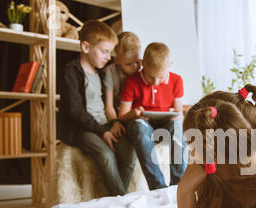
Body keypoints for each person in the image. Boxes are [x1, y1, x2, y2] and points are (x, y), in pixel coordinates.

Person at [57, 20, 135, 196]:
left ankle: (116, 196)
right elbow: (76, 111)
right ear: (86, 47)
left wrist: (114, 123)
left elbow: (108, 105)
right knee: (105, 154)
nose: (108, 57)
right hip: (82, 128)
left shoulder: (101, 72)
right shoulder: (71, 71)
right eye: (104, 51)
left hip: (104, 124)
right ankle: (121, 200)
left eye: (110, 52)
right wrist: (102, 132)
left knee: (129, 153)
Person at [118, 42, 188, 190]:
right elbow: (122, 116)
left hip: (165, 124)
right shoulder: (132, 81)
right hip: (141, 124)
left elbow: (178, 114)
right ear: (143, 64)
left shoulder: (177, 80)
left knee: (177, 127)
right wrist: (133, 113)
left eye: (161, 77)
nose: (155, 82)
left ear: (170, 64)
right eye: (150, 77)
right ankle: (158, 187)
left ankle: (179, 185)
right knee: (139, 127)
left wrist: (174, 116)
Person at [103, 31, 142, 139]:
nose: (135, 66)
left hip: (136, 116)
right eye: (129, 64)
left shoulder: (142, 71)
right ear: (117, 60)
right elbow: (109, 106)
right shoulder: (110, 72)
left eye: (138, 61)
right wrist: (115, 122)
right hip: (115, 116)